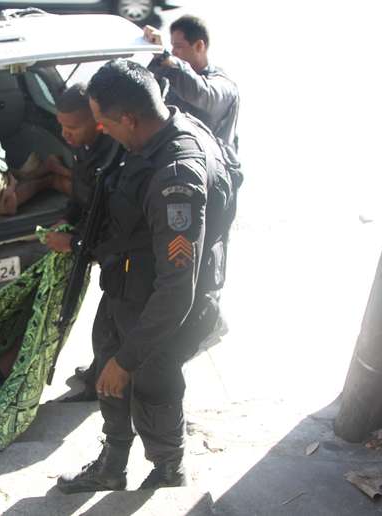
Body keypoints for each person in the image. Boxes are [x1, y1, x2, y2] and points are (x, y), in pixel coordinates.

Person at [56, 59, 234, 493]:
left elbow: (176, 289)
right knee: (108, 375)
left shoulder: (176, 176)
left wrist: (127, 360)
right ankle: (111, 466)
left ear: (130, 119)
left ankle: (168, 471)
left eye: (103, 121)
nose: (100, 130)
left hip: (165, 306)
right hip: (128, 289)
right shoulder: (154, 132)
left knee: (152, 387)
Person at [40, 83, 123, 402]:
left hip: (122, 257)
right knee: (105, 324)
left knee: (110, 325)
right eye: (60, 125)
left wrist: (74, 243)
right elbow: (81, 194)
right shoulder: (85, 147)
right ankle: (98, 372)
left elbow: (113, 229)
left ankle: (104, 388)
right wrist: (68, 218)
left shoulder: (117, 158)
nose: (64, 134)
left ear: (99, 123)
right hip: (93, 240)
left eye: (72, 127)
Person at [144, 15, 239, 149]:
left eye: (178, 46)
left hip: (208, 165)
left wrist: (166, 59)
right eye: (172, 47)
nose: (173, 52)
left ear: (199, 46)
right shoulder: (173, 78)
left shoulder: (224, 86)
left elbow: (201, 93)